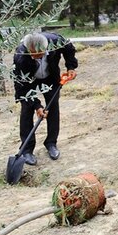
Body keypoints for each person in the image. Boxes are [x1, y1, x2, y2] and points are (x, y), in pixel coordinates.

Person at [13, 32, 78, 165]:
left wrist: (70, 67)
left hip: (50, 77)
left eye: (38, 55)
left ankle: (51, 143)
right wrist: (37, 106)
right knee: (27, 109)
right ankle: (26, 149)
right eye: (32, 55)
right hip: (29, 80)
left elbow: (69, 48)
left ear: (46, 48)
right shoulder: (21, 56)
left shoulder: (55, 41)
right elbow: (22, 88)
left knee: (53, 105)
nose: (34, 57)